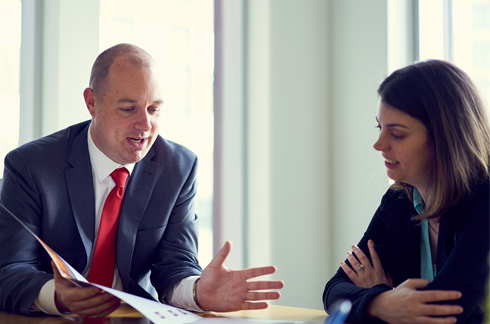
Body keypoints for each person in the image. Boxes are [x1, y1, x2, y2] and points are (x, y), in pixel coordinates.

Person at [0, 43, 284, 318]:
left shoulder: (178, 167)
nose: (146, 126)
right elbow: (9, 269)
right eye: (128, 109)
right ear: (92, 103)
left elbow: (174, 267)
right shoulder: (31, 166)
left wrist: (198, 292)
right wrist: (57, 296)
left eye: (154, 109)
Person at [323, 60, 490, 324]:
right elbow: (334, 290)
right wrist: (382, 301)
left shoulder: (484, 203)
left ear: (444, 137)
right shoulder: (398, 201)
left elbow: (444, 310)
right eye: (380, 128)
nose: (379, 145)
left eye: (397, 135)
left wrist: (377, 300)